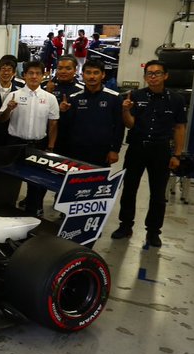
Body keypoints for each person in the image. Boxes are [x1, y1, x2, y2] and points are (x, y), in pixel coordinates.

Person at [111, 60, 187, 247]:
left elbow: (179, 128)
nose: (153, 77)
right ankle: (125, 225)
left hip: (161, 150)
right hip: (137, 148)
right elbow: (130, 124)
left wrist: (177, 154)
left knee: (158, 194)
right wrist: (126, 110)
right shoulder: (135, 95)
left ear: (165, 75)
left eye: (157, 73)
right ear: (145, 77)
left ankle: (153, 232)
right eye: (149, 74)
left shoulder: (177, 99)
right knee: (129, 190)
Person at [0, 60, 59, 217]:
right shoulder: (14, 95)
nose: (34, 76)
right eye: (31, 73)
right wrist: (8, 109)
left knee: (35, 183)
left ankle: (33, 213)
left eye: (38, 73)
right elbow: (1, 119)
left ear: (43, 76)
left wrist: (50, 147)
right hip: (15, 144)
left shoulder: (50, 98)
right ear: (24, 76)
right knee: (10, 181)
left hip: (38, 145)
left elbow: (53, 124)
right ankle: (6, 212)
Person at [64, 59, 123, 166]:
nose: (92, 77)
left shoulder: (115, 98)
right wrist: (63, 112)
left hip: (103, 152)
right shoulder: (74, 98)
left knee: (98, 182)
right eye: (88, 73)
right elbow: (67, 126)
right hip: (77, 151)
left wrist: (115, 150)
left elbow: (119, 126)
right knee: (76, 181)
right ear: (82, 75)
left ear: (103, 75)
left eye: (96, 73)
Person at [48, 55, 85, 154]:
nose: (63, 72)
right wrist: (48, 93)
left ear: (75, 70)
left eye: (68, 68)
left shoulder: (83, 89)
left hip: (75, 139)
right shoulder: (46, 87)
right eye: (60, 68)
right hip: (49, 138)